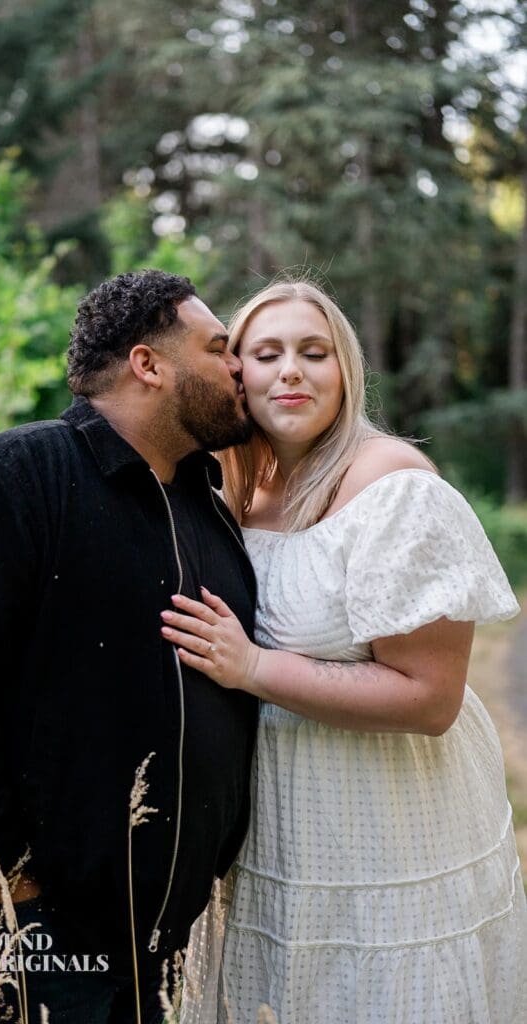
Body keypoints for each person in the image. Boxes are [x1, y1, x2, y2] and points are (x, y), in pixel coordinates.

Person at [0, 269, 260, 1024]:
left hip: (160, 934)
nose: (241, 367)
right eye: (220, 349)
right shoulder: (4, 480)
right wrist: (1, 879)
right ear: (149, 363)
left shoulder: (203, 510)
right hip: (27, 924)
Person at [167, 278, 527, 1023]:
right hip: (268, 832)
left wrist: (256, 669)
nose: (289, 370)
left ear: (345, 372)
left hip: (389, 822)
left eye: (313, 352)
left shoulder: (395, 491)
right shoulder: (232, 492)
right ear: (237, 373)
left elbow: (430, 700)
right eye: (265, 353)